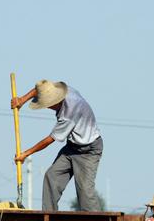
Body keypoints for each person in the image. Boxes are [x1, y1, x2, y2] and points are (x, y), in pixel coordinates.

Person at [11, 80, 103, 211]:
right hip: (72, 147)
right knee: (51, 177)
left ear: (56, 102)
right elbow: (39, 89)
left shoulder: (69, 113)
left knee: (85, 193)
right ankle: (48, 218)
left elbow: (50, 140)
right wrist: (21, 100)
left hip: (88, 151)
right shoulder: (61, 90)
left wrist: (26, 154)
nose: (47, 107)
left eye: (48, 105)